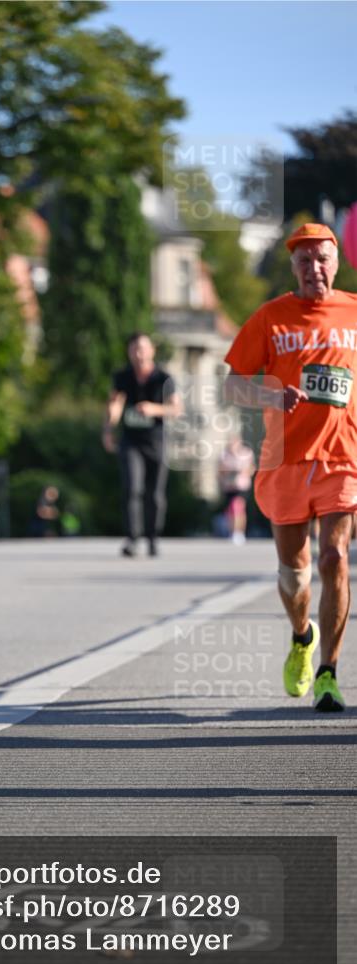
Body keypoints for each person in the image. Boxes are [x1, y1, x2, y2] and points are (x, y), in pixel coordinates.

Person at [224, 222, 357, 712]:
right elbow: (232, 386)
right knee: (294, 575)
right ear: (293, 267)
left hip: (344, 457)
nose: (313, 269)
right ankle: (303, 636)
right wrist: (271, 394)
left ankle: (329, 672)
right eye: (304, 260)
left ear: (336, 261)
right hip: (284, 462)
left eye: (322, 258)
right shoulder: (271, 318)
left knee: (335, 559)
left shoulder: (355, 312)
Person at [103, 332, 181, 557]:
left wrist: (153, 409)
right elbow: (114, 404)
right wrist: (108, 429)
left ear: (151, 351)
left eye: (142, 348)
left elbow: (176, 409)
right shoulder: (122, 377)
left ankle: (153, 536)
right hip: (131, 441)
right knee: (132, 488)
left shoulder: (164, 378)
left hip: (156, 440)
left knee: (155, 493)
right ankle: (133, 538)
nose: (138, 353)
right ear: (129, 352)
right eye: (134, 349)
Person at [218, 436, 255, 544]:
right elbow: (220, 470)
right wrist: (227, 471)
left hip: (241, 485)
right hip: (229, 486)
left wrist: (243, 471)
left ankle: (239, 532)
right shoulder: (224, 455)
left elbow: (251, 468)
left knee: (238, 507)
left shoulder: (246, 453)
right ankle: (232, 532)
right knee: (231, 510)